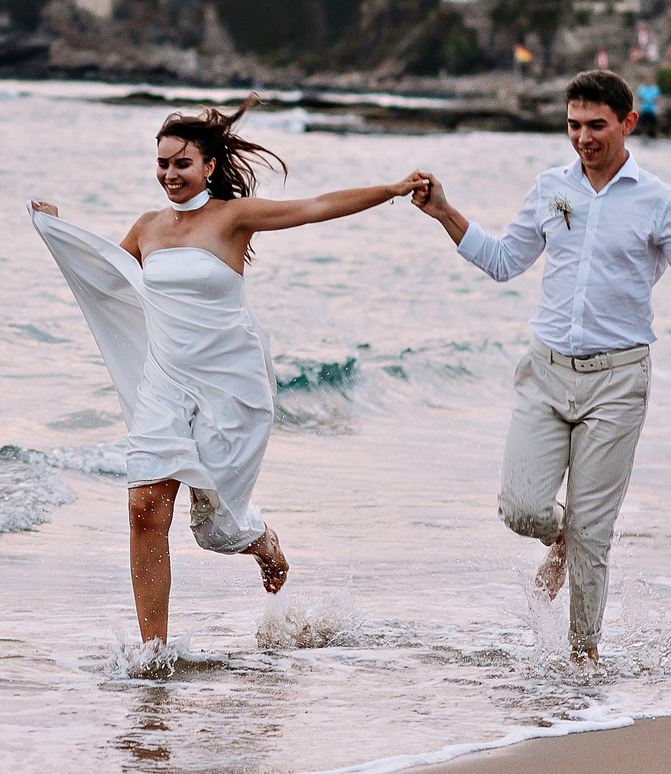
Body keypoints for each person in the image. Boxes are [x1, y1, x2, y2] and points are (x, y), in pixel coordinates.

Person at [31, 102, 425, 649]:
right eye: (162, 164)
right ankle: (154, 653)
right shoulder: (146, 228)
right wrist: (57, 230)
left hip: (228, 383)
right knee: (145, 509)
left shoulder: (232, 218)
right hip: (165, 384)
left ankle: (264, 543)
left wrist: (391, 189)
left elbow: (315, 207)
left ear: (210, 165)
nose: (170, 174)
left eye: (182, 163)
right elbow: (104, 280)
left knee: (215, 530)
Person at [408, 69, 671, 663]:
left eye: (596, 125)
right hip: (546, 373)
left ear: (628, 123)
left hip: (618, 382)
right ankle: (560, 538)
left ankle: (584, 661)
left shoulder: (659, 202)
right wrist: (444, 212)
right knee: (519, 506)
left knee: (594, 536)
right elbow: (503, 261)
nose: (582, 138)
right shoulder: (552, 188)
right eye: (573, 125)